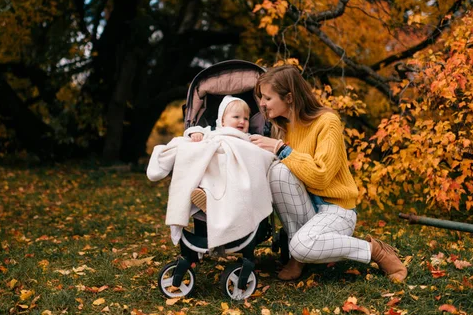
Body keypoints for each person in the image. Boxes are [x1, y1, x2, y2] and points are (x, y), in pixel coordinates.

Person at [249, 64, 407, 282]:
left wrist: (281, 149)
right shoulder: (282, 126)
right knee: (278, 173)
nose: (262, 104)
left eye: (267, 98)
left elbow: (321, 176)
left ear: (289, 98)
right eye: (261, 97)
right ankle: (299, 255)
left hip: (336, 209)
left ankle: (375, 250)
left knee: (302, 244)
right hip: (306, 206)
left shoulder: (327, 122)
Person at [146, 95, 275, 250]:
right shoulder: (213, 132)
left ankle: (212, 200)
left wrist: (259, 150)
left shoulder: (248, 138)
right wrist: (195, 134)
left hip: (235, 179)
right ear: (222, 120)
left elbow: (260, 155)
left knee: (242, 171)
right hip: (215, 173)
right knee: (202, 156)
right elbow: (194, 130)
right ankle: (207, 195)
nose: (242, 121)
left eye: (246, 119)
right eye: (236, 117)